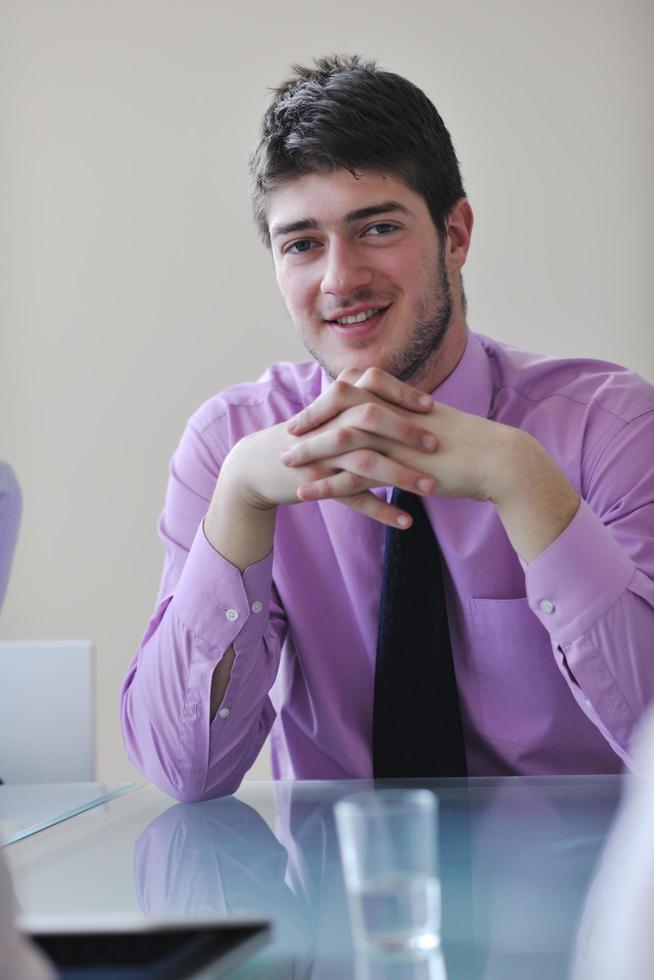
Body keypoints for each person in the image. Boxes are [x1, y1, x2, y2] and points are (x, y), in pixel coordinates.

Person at [121, 55, 654, 802]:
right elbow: (185, 773)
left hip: (587, 905)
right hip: (342, 907)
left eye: (376, 228)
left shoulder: (613, 429)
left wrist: (528, 485)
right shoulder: (230, 448)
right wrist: (239, 502)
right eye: (302, 243)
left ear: (456, 234)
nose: (341, 279)